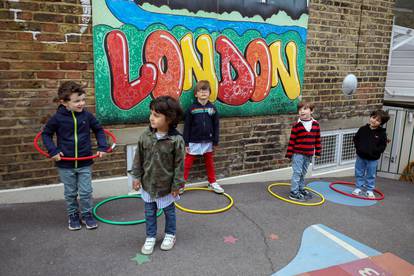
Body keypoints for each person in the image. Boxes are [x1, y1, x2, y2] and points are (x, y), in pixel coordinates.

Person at [42, 81, 108, 230]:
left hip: (85, 162)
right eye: (77, 101)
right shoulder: (57, 118)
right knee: (70, 192)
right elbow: (46, 134)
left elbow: (99, 130)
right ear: (64, 102)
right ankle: (73, 214)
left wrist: (103, 146)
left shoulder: (87, 116)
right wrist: (53, 150)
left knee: (86, 191)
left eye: (83, 99)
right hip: (65, 163)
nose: (81, 103)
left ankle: (86, 214)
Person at [130, 96, 185, 255]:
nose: (151, 118)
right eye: (151, 113)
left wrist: (177, 185)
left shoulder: (176, 140)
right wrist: (136, 177)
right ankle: (151, 236)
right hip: (148, 184)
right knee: (149, 212)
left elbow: (179, 165)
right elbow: (138, 157)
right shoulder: (145, 136)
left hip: (166, 186)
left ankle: (170, 234)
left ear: (169, 118)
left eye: (156, 115)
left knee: (169, 211)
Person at [182, 80, 223, 194]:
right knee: (188, 162)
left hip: (208, 141)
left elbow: (216, 125)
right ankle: (180, 184)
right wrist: (186, 143)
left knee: (209, 162)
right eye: (200, 91)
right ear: (196, 94)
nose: (203, 92)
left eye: (206, 90)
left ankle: (212, 182)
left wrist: (215, 141)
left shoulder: (213, 109)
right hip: (194, 140)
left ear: (209, 93)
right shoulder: (192, 109)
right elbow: (187, 127)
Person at [285, 101, 321, 201]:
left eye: (305, 109)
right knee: (297, 172)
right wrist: (289, 154)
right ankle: (294, 192)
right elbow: (292, 140)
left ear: (312, 111)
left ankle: (300, 188)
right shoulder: (297, 125)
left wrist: (318, 152)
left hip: (309, 154)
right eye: (300, 109)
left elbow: (317, 139)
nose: (301, 111)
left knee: (303, 173)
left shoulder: (315, 124)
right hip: (298, 153)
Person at [353, 110, 390, 198]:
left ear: (381, 123)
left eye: (377, 120)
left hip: (373, 158)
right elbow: (356, 139)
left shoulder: (382, 133)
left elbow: (382, 145)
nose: (374, 121)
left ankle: (369, 190)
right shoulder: (363, 129)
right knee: (359, 172)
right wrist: (359, 148)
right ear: (371, 117)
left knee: (371, 174)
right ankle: (359, 187)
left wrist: (375, 151)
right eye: (373, 118)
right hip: (361, 156)